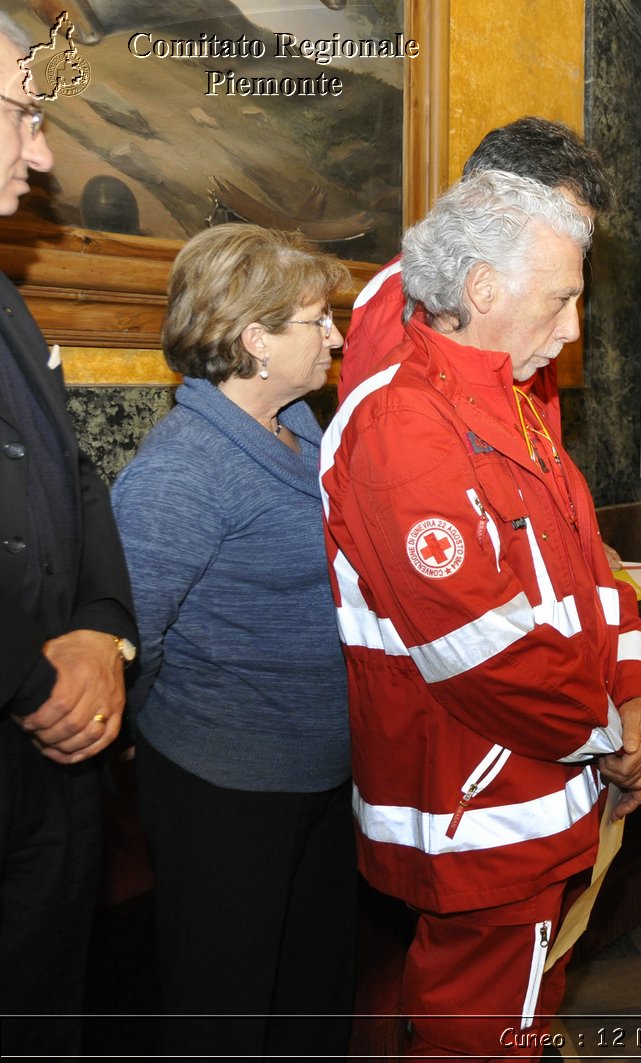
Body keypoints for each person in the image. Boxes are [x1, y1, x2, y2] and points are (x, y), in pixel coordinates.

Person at [320, 170, 641, 1057]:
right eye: (559, 300)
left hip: (541, 786)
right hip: (476, 802)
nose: (573, 329)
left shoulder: (515, 408)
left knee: (518, 1017)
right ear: (482, 289)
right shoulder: (404, 422)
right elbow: (478, 650)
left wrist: (638, 688)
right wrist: (606, 731)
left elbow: (595, 575)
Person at [109, 224, 356, 1058]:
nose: (336, 335)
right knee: (226, 1012)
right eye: (317, 319)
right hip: (226, 789)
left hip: (321, 774)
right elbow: (128, 636)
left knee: (311, 1002)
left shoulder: (300, 422)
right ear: (256, 340)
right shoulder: (182, 472)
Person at [0, 15, 138, 1057]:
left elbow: (77, 476)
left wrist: (98, 627)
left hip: (53, 769)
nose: (41, 153)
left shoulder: (9, 304)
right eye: (25, 116)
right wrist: (28, 676)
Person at [338, 115, 614, 442]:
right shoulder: (399, 300)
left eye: (583, 232)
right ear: (494, 202)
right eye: (562, 221)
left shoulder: (533, 295)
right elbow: (383, 440)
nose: (575, 243)